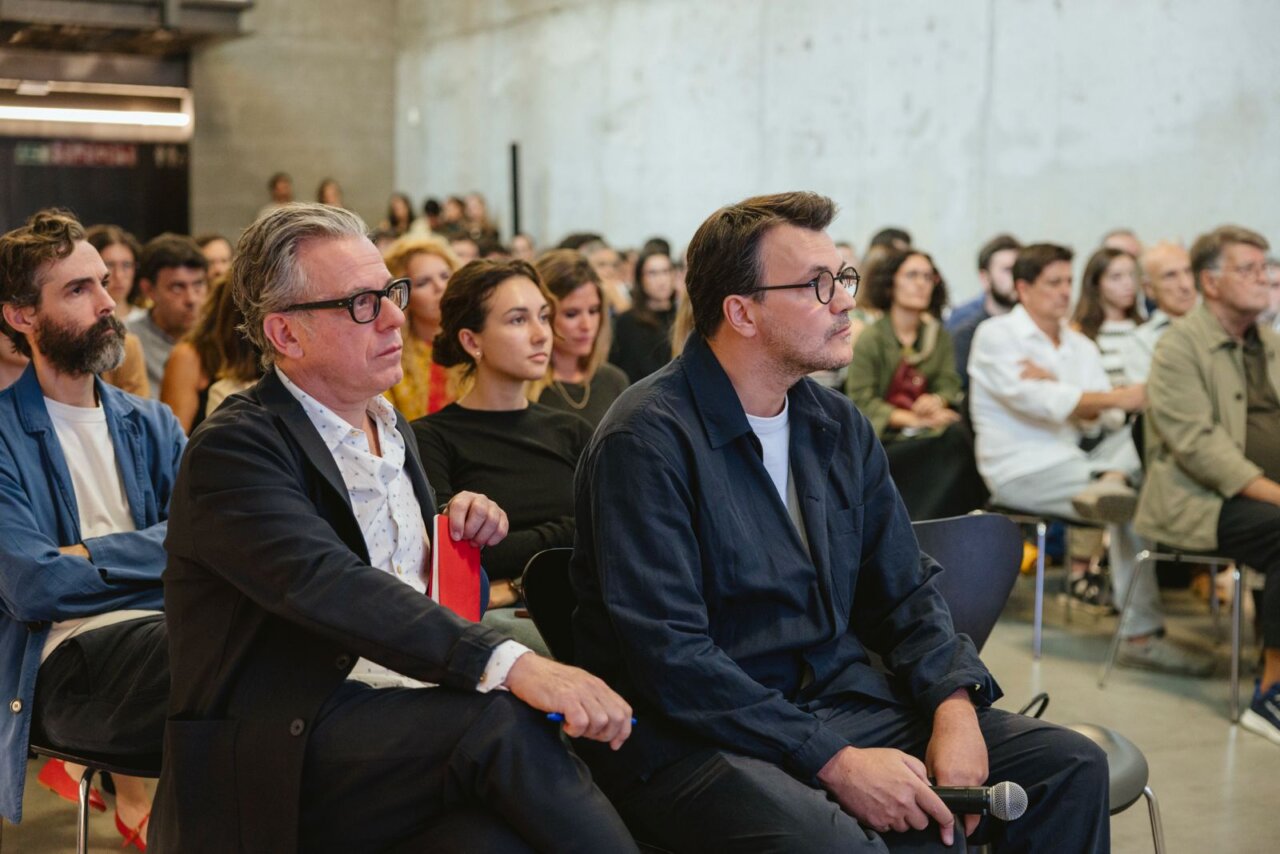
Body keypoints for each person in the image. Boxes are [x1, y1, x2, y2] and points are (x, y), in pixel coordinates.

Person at [572, 192, 1109, 853]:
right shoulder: (647, 440)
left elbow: (904, 588)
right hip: (703, 732)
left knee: (1069, 767)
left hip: (837, 698)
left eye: (845, 278)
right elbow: (672, 659)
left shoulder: (834, 423)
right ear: (741, 312)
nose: (846, 301)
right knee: (843, 844)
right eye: (817, 285)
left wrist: (954, 703)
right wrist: (835, 760)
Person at [150, 203, 637, 853]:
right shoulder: (236, 448)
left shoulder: (389, 424)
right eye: (360, 303)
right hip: (283, 741)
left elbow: (395, 569)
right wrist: (509, 661)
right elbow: (330, 583)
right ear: (286, 334)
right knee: (501, 722)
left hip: (399, 725)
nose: (396, 317)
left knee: (497, 841)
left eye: (391, 292)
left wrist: (451, 528)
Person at [0, 209, 186, 846]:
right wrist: (165, 559)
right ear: (22, 315)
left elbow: (214, 545)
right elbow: (35, 588)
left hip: (169, 636)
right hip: (61, 664)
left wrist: (88, 555)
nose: (109, 303)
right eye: (78, 290)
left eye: (105, 283)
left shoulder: (153, 424)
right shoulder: (1, 434)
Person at [969, 243, 1212, 674]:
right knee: (1134, 506)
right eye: (1053, 283)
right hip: (1021, 469)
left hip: (1081, 460)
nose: (1064, 292)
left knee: (1143, 430)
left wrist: (1070, 390)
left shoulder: (1078, 344)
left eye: (1068, 281)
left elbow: (1112, 415)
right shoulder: (996, 335)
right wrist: (1090, 398)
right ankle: (1140, 636)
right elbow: (1040, 402)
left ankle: (1114, 477)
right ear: (1023, 288)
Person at [1136, 225, 1280, 745]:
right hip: (1199, 499)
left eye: (1267, 267)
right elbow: (1199, 448)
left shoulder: (1270, 344)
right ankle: (1271, 692)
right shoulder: (1179, 346)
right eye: (1249, 268)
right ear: (1211, 282)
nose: (1264, 278)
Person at [414, 259, 593, 608]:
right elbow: (451, 556)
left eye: (543, 316)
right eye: (518, 320)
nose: (542, 334)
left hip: (574, 604)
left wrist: (514, 581)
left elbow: (605, 533)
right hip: (490, 619)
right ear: (471, 340)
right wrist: (568, 532)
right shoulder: (431, 437)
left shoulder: (571, 431)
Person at [845, 249, 987, 520]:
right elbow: (862, 402)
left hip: (928, 434)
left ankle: (952, 527)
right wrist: (915, 419)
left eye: (927, 277)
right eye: (912, 275)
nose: (922, 283)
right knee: (953, 445)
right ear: (890, 284)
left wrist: (936, 401)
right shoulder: (872, 339)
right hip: (885, 440)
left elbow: (948, 383)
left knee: (957, 438)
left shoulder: (938, 336)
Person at [535, 249, 630, 426]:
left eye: (593, 311)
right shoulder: (525, 386)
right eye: (571, 314)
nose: (587, 325)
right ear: (543, 315)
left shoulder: (613, 380)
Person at [383, 236, 461, 420]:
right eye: (423, 282)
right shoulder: (390, 357)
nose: (440, 287)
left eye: (445, 276)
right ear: (402, 297)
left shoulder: (476, 347)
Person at [126, 234, 209, 398]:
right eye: (177, 287)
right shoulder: (127, 342)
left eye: (198, 284)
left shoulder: (221, 338)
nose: (191, 299)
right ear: (148, 290)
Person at [946, 234, 1021, 389]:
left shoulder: (1037, 327)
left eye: (1019, 270)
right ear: (985, 278)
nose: (1016, 278)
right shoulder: (966, 332)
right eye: (1007, 270)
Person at [84, 225, 150, 397]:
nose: (119, 275)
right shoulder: (83, 325)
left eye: (127, 265)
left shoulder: (149, 319)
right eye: (109, 265)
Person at [1122, 241, 1198, 384]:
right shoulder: (1139, 342)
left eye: (1189, 271)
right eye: (1170, 275)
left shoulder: (1225, 326)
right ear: (1149, 288)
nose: (1185, 284)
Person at [1071, 247, 1144, 386]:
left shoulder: (1146, 329)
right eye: (1116, 277)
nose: (1128, 283)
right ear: (1096, 283)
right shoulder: (1081, 333)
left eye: (1132, 275)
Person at [610, 249, 678, 383]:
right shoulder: (627, 322)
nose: (661, 280)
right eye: (653, 273)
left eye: (666, 271)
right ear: (640, 279)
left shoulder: (682, 317)